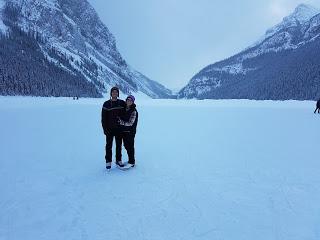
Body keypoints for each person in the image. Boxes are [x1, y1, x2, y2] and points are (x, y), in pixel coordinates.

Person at [101, 86, 126, 169]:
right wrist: (105, 129)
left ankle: (118, 160)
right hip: (109, 129)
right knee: (109, 146)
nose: (114, 93)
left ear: (118, 93)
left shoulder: (122, 103)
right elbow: (103, 118)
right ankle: (108, 161)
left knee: (119, 145)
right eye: (113, 92)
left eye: (116, 92)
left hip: (119, 129)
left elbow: (129, 108)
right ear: (111, 93)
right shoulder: (106, 104)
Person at [118, 95, 138, 168]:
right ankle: (130, 160)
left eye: (130, 100)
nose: (129, 101)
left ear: (132, 102)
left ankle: (132, 162)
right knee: (126, 146)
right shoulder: (125, 108)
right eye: (128, 100)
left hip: (130, 132)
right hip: (124, 131)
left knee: (130, 146)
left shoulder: (134, 111)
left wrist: (121, 122)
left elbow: (130, 123)